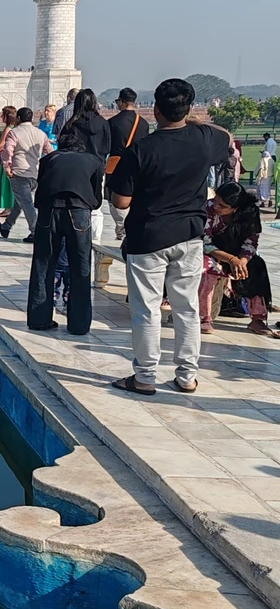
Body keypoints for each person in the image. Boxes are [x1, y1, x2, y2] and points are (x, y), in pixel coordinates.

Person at [108, 77, 232, 395]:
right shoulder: (203, 139)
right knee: (186, 307)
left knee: (147, 309)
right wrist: (189, 120)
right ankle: (187, 376)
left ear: (156, 111)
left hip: (148, 236)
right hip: (189, 235)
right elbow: (227, 137)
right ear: (188, 109)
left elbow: (121, 201)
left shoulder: (142, 150)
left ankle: (145, 376)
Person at [26, 126, 103, 334]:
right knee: (80, 265)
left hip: (48, 211)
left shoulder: (48, 160)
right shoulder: (93, 161)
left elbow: (42, 185)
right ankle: (79, 325)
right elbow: (97, 197)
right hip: (79, 210)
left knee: (43, 262)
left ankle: (39, 319)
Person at [199, 182, 277, 338]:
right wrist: (230, 259)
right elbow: (205, 241)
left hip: (237, 253)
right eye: (216, 201)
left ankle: (258, 318)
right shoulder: (207, 209)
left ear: (235, 208)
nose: (216, 206)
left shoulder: (249, 213)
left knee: (256, 266)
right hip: (212, 251)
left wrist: (242, 261)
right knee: (208, 267)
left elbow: (251, 240)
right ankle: (203, 317)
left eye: (222, 205)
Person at [61, 89, 111, 241]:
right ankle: (95, 240)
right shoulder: (103, 123)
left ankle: (78, 238)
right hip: (97, 167)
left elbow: (63, 145)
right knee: (96, 207)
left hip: (76, 169)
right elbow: (108, 146)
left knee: (76, 205)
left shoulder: (72, 125)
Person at [0, 106, 52, 241]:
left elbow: (8, 150)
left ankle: (36, 232)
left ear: (19, 118)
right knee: (20, 201)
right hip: (34, 173)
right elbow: (49, 151)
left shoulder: (15, 133)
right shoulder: (40, 134)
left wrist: (6, 166)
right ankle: (7, 226)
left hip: (19, 173)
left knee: (26, 203)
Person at [105, 88, 149, 242]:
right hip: (138, 164)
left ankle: (121, 224)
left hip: (115, 163)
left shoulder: (112, 122)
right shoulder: (143, 123)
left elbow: (106, 145)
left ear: (121, 102)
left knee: (114, 197)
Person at [0, 107, 17, 214]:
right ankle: (9, 208)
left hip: (5, 159)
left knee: (5, 183)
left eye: (3, 115)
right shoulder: (13, 128)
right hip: (10, 159)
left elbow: (1, 146)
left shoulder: (8, 129)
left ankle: (8, 208)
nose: (1, 117)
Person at [256, 135, 276, 209]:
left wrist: (258, 176)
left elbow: (260, 168)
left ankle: (263, 202)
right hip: (270, 176)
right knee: (268, 188)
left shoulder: (263, 160)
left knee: (262, 188)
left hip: (263, 176)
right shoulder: (271, 161)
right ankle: (270, 200)